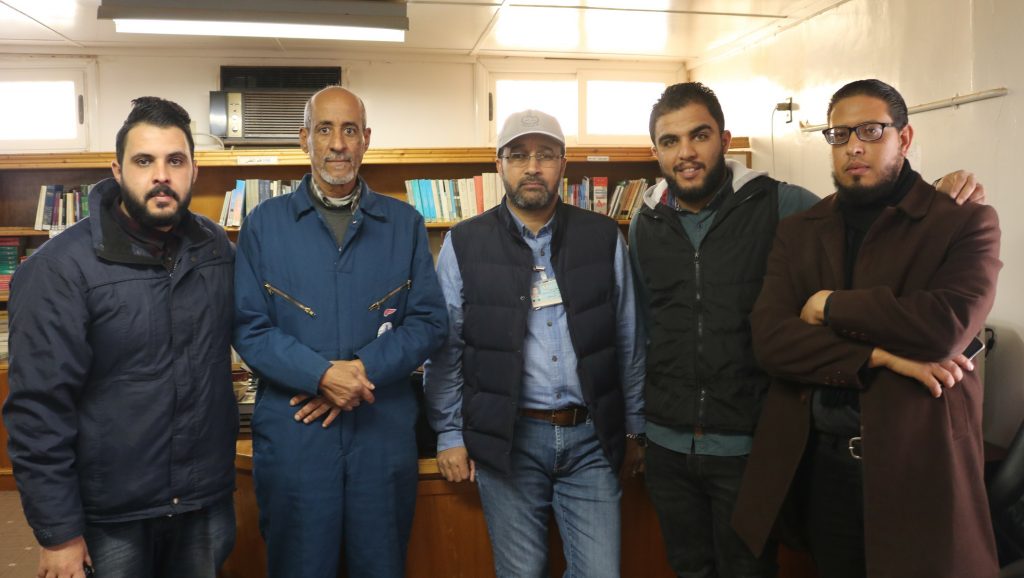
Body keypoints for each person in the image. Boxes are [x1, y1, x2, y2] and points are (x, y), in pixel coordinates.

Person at [629, 82, 986, 577]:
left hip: (749, 439)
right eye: (670, 141)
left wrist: (936, 194)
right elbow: (648, 327)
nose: (686, 152)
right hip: (668, 439)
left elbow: (872, 223)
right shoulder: (644, 224)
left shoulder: (783, 206)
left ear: (725, 140)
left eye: (700, 135)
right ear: (655, 152)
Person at [731, 79, 1002, 578]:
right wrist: (882, 355)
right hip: (822, 466)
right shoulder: (799, 230)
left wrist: (829, 306)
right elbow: (770, 341)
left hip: (920, 465)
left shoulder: (962, 220)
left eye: (871, 131)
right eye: (839, 134)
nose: (853, 146)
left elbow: (944, 328)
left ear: (905, 137)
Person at [3, 97, 237, 578]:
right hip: (111, 517)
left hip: (202, 503)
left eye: (175, 161)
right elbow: (38, 410)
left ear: (194, 170)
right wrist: (58, 532)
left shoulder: (215, 249)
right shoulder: (59, 269)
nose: (161, 176)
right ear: (117, 170)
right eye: (144, 161)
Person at [232, 85, 447, 578]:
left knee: (381, 565)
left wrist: (360, 372)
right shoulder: (263, 226)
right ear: (304, 138)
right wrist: (321, 375)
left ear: (366, 139)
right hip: (296, 436)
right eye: (324, 129)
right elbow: (249, 327)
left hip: (381, 434)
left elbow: (429, 321)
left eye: (349, 130)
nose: (337, 144)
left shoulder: (404, 224)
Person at [423, 109, 645, 577]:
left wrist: (634, 428)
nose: (532, 167)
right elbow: (446, 348)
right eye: (518, 155)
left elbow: (628, 338)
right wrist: (449, 432)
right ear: (498, 164)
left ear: (563, 164)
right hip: (509, 440)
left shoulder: (604, 237)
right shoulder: (464, 243)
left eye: (545, 155)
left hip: (591, 440)